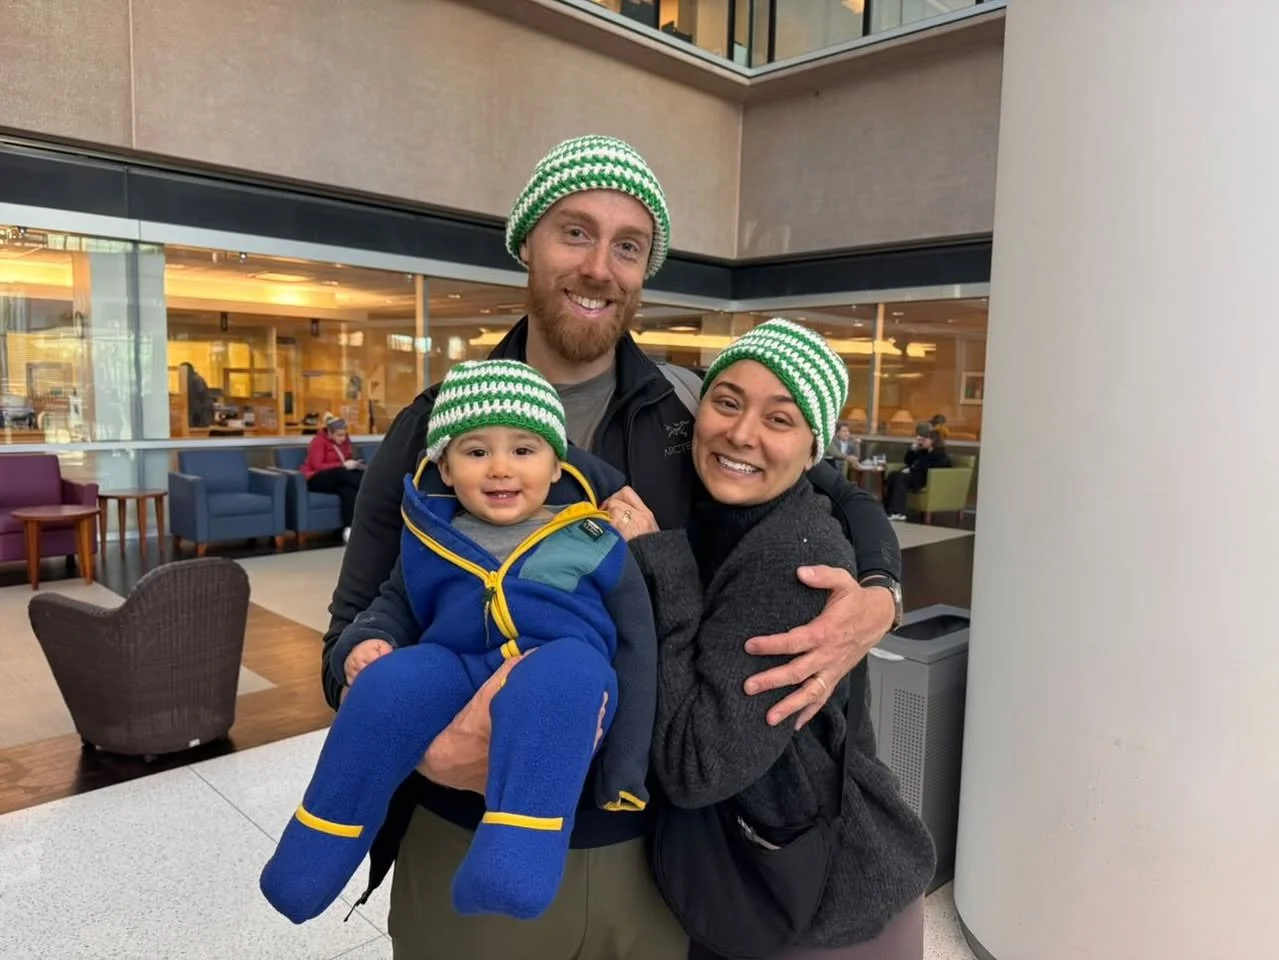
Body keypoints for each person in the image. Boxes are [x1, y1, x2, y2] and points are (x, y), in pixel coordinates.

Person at [322, 134, 904, 960]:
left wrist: (880, 593)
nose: (599, 267)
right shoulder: (435, 426)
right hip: (462, 836)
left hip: (652, 853)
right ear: (527, 242)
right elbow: (348, 631)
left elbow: (830, 490)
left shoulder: (687, 415)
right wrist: (423, 745)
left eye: (628, 247)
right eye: (575, 233)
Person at [260, 360, 655, 925]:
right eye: (476, 452)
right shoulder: (431, 535)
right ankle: (318, 844)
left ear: (556, 464)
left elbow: (638, 647)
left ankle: (516, 862)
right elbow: (395, 602)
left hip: (562, 670)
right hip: (457, 667)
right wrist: (367, 641)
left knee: (565, 675)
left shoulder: (594, 538)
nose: (500, 468)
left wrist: (625, 769)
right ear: (444, 467)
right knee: (389, 683)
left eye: (524, 450)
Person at [621, 319, 935, 959]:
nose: (742, 433)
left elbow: (696, 765)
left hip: (819, 909)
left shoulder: (791, 557)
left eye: (779, 419)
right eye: (727, 402)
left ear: (813, 448)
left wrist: (662, 568)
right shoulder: (734, 516)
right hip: (782, 881)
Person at [302, 414, 365, 541]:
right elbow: (317, 465)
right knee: (345, 474)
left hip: (339, 479)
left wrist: (352, 464)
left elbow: (347, 458)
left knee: (348, 489)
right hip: (316, 478)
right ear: (330, 433)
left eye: (344, 435)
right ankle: (366, 487)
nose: (343, 438)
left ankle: (349, 528)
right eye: (339, 435)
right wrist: (342, 465)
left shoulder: (345, 442)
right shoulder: (318, 442)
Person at [882, 426, 950, 521]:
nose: (922, 442)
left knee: (900, 478)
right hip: (913, 476)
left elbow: (936, 466)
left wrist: (912, 470)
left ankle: (898, 512)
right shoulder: (922, 451)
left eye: (925, 440)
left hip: (924, 478)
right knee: (893, 476)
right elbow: (908, 461)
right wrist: (912, 449)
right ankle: (888, 510)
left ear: (933, 441)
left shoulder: (940, 454)